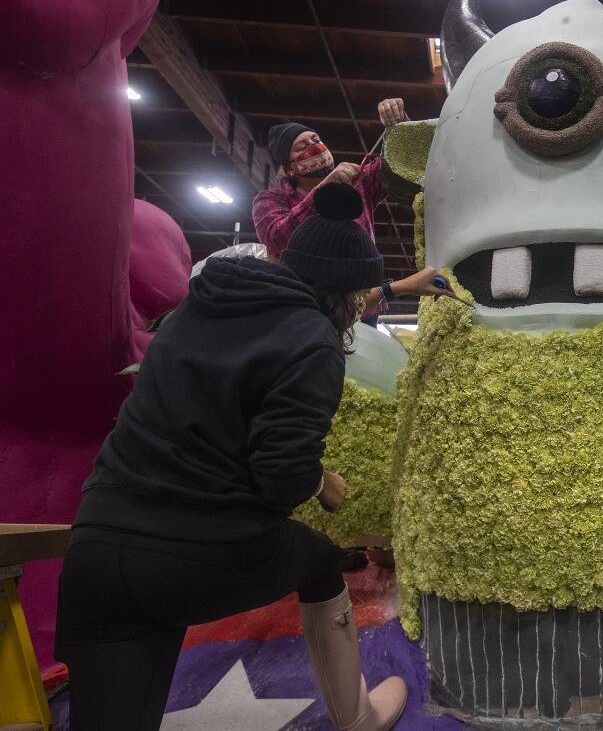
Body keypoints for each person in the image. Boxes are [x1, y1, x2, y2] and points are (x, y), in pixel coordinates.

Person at [55, 183, 432, 731]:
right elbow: (279, 474)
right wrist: (321, 482)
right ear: (343, 297)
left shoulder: (201, 306)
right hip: (197, 550)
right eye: (356, 299)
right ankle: (359, 716)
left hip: (96, 546)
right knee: (317, 558)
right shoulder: (313, 340)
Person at [254, 98, 453, 324]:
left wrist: (400, 126)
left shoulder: (359, 183)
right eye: (303, 147)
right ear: (288, 168)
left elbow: (400, 166)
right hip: (303, 309)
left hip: (363, 305)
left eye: (316, 139)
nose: (315, 146)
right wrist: (324, 189)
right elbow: (277, 238)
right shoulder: (270, 200)